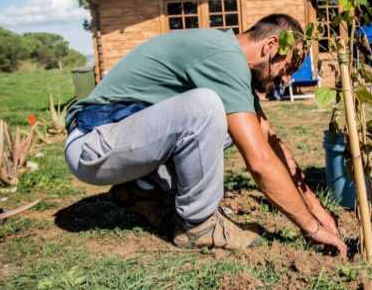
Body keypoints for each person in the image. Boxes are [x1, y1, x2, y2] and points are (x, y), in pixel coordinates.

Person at [64, 14, 347, 256]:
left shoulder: (228, 57)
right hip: (93, 145)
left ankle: (142, 191)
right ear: (271, 46)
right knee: (207, 107)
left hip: (118, 142)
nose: (285, 79)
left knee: (228, 123)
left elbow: (269, 140)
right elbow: (260, 162)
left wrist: (317, 210)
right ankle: (198, 226)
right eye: (286, 68)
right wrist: (311, 229)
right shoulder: (223, 57)